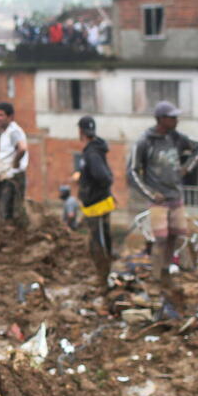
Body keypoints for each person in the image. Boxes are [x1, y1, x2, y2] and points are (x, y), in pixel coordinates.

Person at [129, 100, 198, 289]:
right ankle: (156, 276)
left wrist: (187, 168)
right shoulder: (145, 141)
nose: (176, 121)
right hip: (158, 199)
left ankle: (166, 270)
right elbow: (133, 171)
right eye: (172, 118)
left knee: (175, 235)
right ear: (161, 119)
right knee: (160, 237)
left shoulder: (175, 138)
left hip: (175, 195)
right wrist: (151, 193)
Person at [74, 116, 115, 285]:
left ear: (81, 132)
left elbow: (104, 177)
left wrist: (93, 190)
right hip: (98, 202)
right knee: (100, 239)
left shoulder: (91, 154)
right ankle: (104, 273)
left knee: (98, 242)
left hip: (96, 205)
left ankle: (103, 276)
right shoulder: (95, 150)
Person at [0, 101, 29, 227]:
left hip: (12, 179)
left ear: (10, 117)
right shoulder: (5, 133)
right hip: (4, 177)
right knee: (3, 211)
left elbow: (22, 148)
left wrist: (15, 163)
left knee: (9, 212)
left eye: (0, 115)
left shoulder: (14, 131)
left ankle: (14, 239)